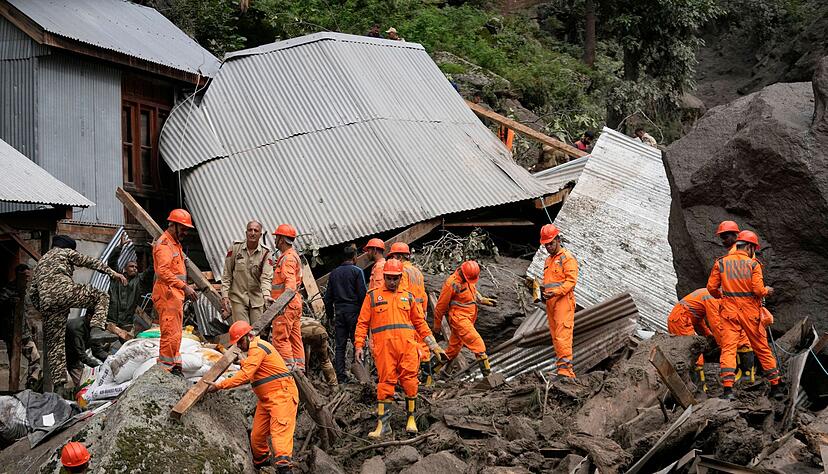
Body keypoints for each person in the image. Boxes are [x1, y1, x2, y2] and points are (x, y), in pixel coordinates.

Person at [354, 259, 446, 438]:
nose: (392, 282)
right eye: (389, 278)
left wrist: (433, 345)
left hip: (407, 347)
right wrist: (359, 345)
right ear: (384, 277)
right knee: (385, 383)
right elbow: (362, 323)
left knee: (410, 381)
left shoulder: (408, 297)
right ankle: (383, 425)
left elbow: (420, 323)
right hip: (384, 349)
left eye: (395, 278)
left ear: (400, 277)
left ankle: (411, 419)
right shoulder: (372, 296)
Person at [27, 235, 126, 396]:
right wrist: (112, 273)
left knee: (56, 347)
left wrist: (44, 309)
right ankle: (96, 329)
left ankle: (59, 388)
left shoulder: (41, 262)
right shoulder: (65, 252)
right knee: (101, 296)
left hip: (47, 304)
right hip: (65, 292)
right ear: (68, 247)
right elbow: (89, 261)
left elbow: (32, 292)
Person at [208, 321, 298, 473]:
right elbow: (257, 367)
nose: (239, 346)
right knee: (257, 437)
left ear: (249, 336)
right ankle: (262, 463)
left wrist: (219, 385)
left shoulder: (258, 348)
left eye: (240, 342)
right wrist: (243, 362)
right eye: (237, 343)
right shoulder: (255, 351)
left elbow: (245, 375)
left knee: (279, 434)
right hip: (267, 399)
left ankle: (284, 468)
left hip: (282, 395)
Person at [707, 230, 783, 400]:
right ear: (749, 247)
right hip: (750, 313)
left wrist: (723, 296)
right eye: (753, 248)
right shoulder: (754, 265)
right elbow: (758, 290)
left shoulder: (721, 263)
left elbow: (711, 288)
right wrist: (767, 291)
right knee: (762, 348)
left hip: (729, 313)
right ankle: (776, 387)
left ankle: (728, 390)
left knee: (728, 349)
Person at [433, 261, 497, 378]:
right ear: (462, 272)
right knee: (478, 344)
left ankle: (427, 371)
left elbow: (472, 290)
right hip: (459, 320)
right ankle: (489, 377)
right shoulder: (452, 283)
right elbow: (440, 307)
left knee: (452, 351)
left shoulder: (467, 278)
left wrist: (482, 299)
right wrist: (437, 326)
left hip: (467, 318)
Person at [153, 210, 198, 375]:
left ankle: (173, 364)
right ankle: (165, 369)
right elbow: (163, 272)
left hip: (173, 295)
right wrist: (185, 287)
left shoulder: (174, 244)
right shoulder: (165, 245)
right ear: (173, 225)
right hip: (167, 295)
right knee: (169, 333)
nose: (185, 233)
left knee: (175, 333)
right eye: (183, 229)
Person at [323, 245, 367, 383]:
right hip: (354, 312)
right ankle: (362, 377)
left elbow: (328, 298)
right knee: (358, 343)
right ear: (354, 257)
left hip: (339, 313)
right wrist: (365, 316)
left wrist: (330, 316)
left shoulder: (334, 273)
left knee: (340, 346)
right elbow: (363, 296)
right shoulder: (357, 272)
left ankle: (341, 377)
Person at [540, 224, 579, 378]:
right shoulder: (548, 261)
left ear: (558, 240)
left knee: (563, 336)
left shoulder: (567, 258)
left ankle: (566, 371)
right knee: (556, 337)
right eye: (546, 245)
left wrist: (555, 292)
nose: (549, 247)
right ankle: (562, 369)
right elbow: (549, 282)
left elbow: (571, 282)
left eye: (551, 243)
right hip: (551, 303)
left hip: (563, 301)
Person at [221, 220, 274, 325]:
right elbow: (227, 274)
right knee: (242, 330)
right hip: (238, 298)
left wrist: (266, 295)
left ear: (260, 235)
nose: (252, 233)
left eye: (256, 231)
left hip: (257, 300)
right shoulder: (235, 248)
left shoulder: (266, 253)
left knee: (256, 331)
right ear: (246, 233)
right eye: (250, 230)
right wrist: (225, 296)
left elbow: (266, 278)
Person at [387, 243, 431, 369]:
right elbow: (424, 295)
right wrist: (424, 311)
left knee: (411, 344)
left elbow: (402, 293)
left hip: (409, 312)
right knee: (422, 343)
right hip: (419, 310)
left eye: (393, 257)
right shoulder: (417, 271)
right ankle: (426, 374)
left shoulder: (402, 271)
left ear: (399, 257)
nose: (392, 260)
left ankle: (415, 373)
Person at [270, 224, 305, 372]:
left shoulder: (288, 259)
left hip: (285, 306)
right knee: (295, 338)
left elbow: (289, 287)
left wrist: (280, 305)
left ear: (282, 240)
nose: (275, 240)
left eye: (277, 237)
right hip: (294, 304)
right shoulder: (292, 256)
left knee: (280, 338)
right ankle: (300, 370)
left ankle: (288, 371)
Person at [0, 264, 41, 388]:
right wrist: (9, 302)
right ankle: (14, 386)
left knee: (35, 357)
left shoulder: (25, 291)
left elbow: (26, 312)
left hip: (25, 333)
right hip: (11, 334)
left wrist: (31, 325)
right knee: (14, 361)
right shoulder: (8, 290)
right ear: (18, 275)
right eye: (25, 276)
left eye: (28, 276)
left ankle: (31, 383)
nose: (27, 279)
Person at [107, 234, 154, 333]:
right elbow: (111, 262)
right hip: (112, 320)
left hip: (127, 322)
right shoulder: (117, 277)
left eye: (136, 267)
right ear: (125, 269)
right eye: (131, 266)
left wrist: (153, 252)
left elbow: (151, 269)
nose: (134, 268)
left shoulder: (139, 279)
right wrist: (120, 247)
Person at [66, 313, 109, 389]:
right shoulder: (77, 328)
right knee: (80, 385)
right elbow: (81, 354)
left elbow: (97, 350)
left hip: (75, 358)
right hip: (63, 358)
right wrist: (99, 367)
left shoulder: (93, 327)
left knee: (83, 383)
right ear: (89, 316)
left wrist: (110, 360)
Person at [301, 316, 337, 386]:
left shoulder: (290, 321)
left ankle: (305, 381)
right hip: (321, 333)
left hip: (306, 333)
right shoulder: (306, 318)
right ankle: (333, 384)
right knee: (325, 361)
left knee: (301, 360)